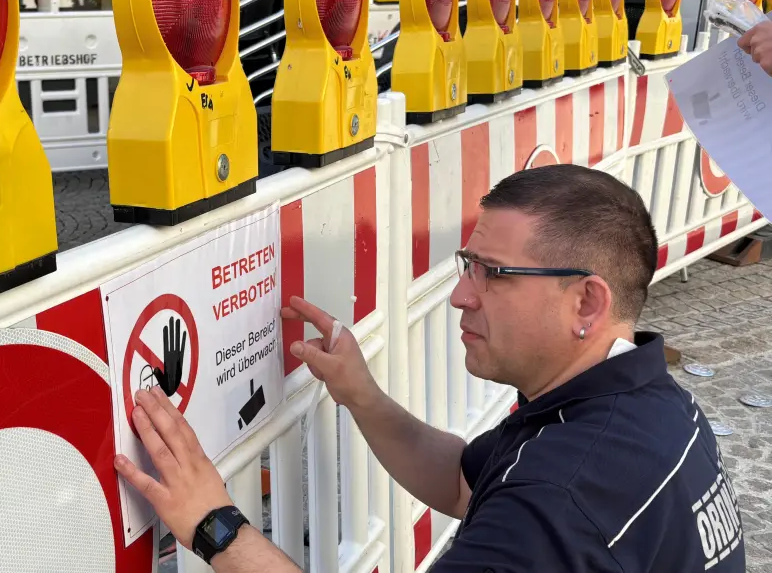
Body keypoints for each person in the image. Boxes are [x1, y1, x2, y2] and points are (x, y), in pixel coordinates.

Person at [115, 164, 746, 572]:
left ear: (586, 301)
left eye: (493, 273)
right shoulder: (644, 401)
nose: (461, 296)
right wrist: (363, 396)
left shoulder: (560, 498)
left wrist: (214, 525)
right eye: (466, 263)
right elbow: (464, 483)